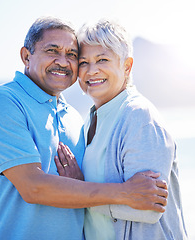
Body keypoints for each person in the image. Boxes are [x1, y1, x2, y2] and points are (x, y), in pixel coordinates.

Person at [0, 17, 168, 240]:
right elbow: (33, 187)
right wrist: (124, 193)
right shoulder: (3, 102)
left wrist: (85, 185)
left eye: (72, 55)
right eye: (52, 50)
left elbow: (85, 195)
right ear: (26, 56)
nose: (63, 62)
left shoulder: (76, 118)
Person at [55, 19, 188, 239]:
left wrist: (78, 191)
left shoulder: (139, 117)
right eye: (84, 62)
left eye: (102, 60)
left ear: (126, 66)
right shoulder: (92, 119)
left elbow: (147, 208)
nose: (92, 71)